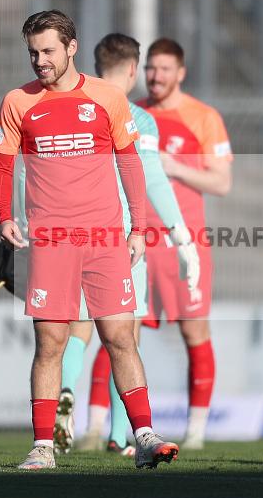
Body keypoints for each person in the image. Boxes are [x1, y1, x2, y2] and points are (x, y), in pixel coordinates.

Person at [0, 10, 178, 470]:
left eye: (48, 51)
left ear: (71, 48)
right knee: (51, 342)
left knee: (120, 337)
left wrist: (138, 227)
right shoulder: (17, 101)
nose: (40, 61)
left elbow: (130, 162)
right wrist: (4, 218)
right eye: (33, 53)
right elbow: (2, 167)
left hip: (105, 239)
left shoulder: (108, 97)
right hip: (50, 242)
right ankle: (42, 446)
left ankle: (143, 436)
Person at [52, 33, 200, 457]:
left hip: (70, 234)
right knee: (124, 338)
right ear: (133, 69)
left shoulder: (68, 108)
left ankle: (65, 393)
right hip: (120, 240)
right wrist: (182, 235)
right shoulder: (138, 117)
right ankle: (121, 437)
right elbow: (152, 177)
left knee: (75, 331)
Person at [137, 38, 233, 450]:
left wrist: (174, 167)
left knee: (195, 331)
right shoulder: (134, 115)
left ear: (181, 73)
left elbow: (222, 182)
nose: (155, 76)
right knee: (120, 332)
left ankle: (195, 431)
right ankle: (109, 431)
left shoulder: (203, 117)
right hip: (139, 242)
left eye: (164, 69)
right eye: (150, 68)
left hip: (184, 243)